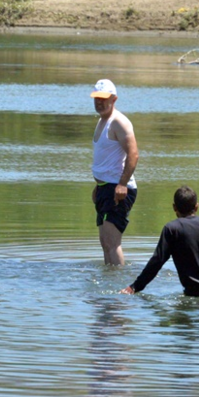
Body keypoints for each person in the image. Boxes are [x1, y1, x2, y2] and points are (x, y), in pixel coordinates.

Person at [91, 79, 139, 265]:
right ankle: (108, 285)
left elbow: (133, 154)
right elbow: (106, 159)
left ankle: (119, 288)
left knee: (112, 243)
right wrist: (98, 185)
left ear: (114, 99)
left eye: (103, 98)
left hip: (118, 189)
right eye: (96, 98)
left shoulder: (119, 122)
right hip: (105, 187)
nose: (99, 102)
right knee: (105, 243)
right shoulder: (102, 121)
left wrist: (122, 184)